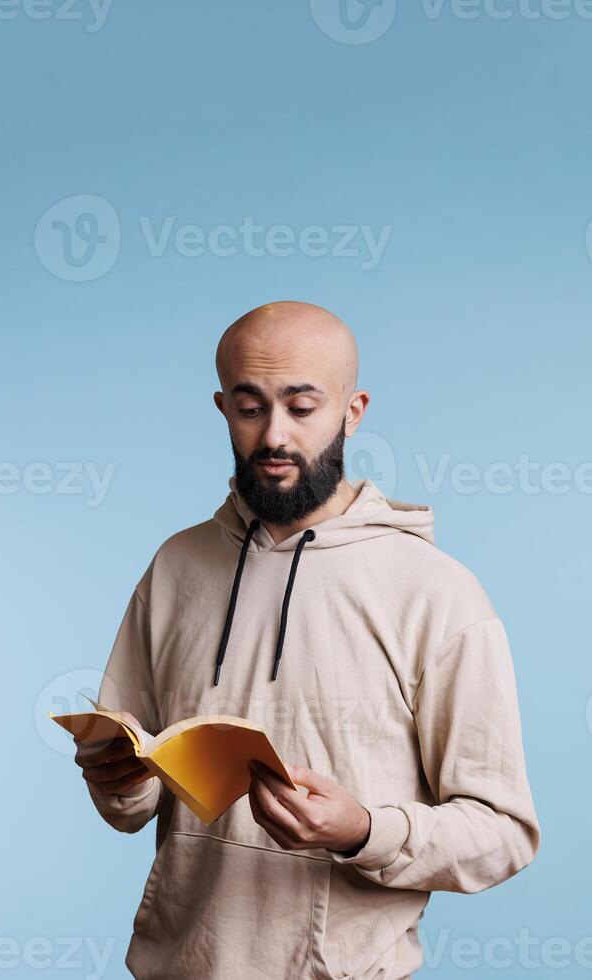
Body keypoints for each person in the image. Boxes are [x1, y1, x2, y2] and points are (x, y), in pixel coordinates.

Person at [73, 301, 540, 980]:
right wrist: (118, 780)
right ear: (222, 408)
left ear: (352, 412)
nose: (273, 436)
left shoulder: (437, 592)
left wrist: (362, 831)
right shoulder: (175, 565)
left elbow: (502, 833)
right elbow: (133, 803)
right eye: (250, 406)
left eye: (302, 406)